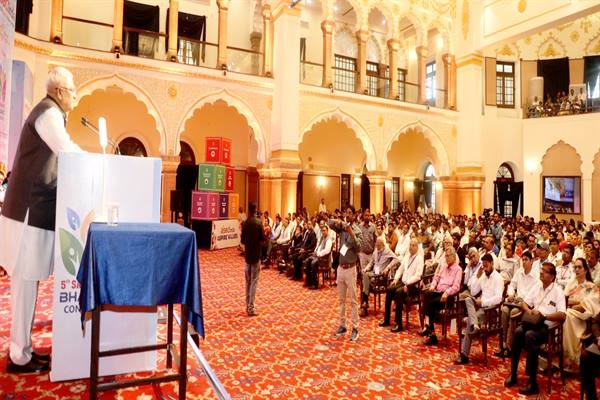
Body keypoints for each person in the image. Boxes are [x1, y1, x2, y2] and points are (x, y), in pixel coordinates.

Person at [0, 67, 82, 374]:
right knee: (24, 284)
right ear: (60, 92)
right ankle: (18, 356)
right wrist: (95, 162)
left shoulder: (52, 113)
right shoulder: (49, 113)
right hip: (27, 212)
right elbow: (67, 150)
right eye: (72, 91)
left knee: (29, 282)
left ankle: (24, 350)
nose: (75, 96)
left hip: (32, 213)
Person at [505, 262, 566, 395]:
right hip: (533, 322)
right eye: (541, 270)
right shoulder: (537, 286)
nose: (541, 272)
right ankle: (513, 373)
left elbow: (562, 315)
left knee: (529, 336)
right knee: (518, 332)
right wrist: (530, 311)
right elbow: (524, 303)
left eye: (545, 271)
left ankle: (533, 382)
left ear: (552, 276)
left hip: (547, 328)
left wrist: (545, 316)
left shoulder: (558, 291)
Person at [454, 253, 504, 364]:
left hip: (491, 311)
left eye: (487, 266)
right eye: (483, 266)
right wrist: (477, 277)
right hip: (481, 309)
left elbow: (498, 299)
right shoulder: (483, 275)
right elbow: (473, 292)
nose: (485, 268)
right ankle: (475, 324)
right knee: (468, 299)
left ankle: (464, 355)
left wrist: (483, 303)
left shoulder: (498, 278)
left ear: (492, 263)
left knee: (469, 321)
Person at [331, 206, 362, 342]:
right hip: (340, 268)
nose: (348, 215)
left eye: (350, 213)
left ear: (354, 216)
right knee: (341, 300)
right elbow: (329, 224)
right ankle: (343, 325)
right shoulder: (342, 228)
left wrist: (351, 232)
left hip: (350, 269)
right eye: (346, 213)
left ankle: (355, 328)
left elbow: (359, 247)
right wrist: (337, 221)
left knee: (353, 300)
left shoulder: (357, 230)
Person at [241, 202, 265, 317]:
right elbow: (263, 239)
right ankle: (251, 308)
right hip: (256, 256)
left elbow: (242, 241)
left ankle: (247, 306)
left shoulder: (245, 223)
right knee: (254, 282)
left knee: (248, 282)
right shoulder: (258, 223)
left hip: (247, 256)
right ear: (255, 210)